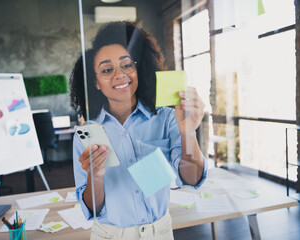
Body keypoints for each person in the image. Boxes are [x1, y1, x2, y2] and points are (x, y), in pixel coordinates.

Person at [70, 21, 207, 240]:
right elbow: (93, 209)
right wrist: (94, 176)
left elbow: (191, 179)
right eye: (107, 70)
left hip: (159, 233)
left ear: (138, 68)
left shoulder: (166, 118)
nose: (119, 74)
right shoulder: (89, 133)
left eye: (126, 65)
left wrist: (188, 132)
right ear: (96, 82)